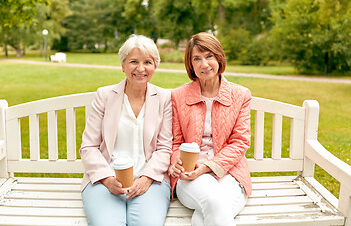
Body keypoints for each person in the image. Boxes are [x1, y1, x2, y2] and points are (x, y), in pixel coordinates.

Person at [80, 34, 172, 226]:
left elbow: (164, 149)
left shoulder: (164, 98)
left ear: (155, 66)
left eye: (148, 62)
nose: (140, 68)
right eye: (133, 62)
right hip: (105, 179)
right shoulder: (105, 96)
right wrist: (107, 179)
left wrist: (146, 179)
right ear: (123, 66)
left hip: (150, 181)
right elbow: (89, 147)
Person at [169, 32, 252, 226]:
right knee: (214, 202)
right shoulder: (178, 96)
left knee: (202, 219)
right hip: (190, 174)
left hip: (230, 173)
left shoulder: (240, 95)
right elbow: (175, 142)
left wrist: (207, 167)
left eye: (209, 56)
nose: (204, 64)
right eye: (196, 59)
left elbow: (240, 142)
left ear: (219, 58)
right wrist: (176, 163)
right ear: (190, 65)